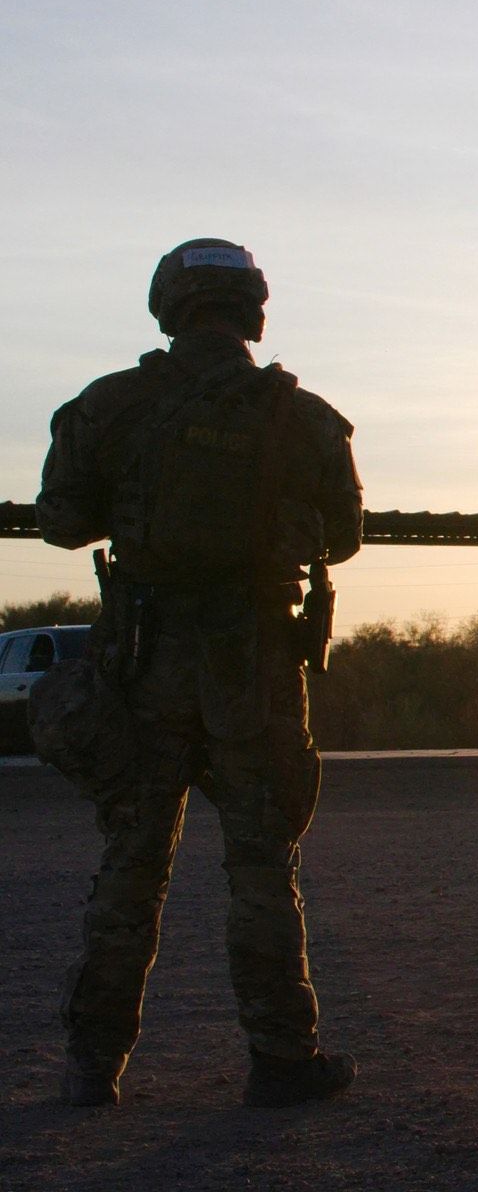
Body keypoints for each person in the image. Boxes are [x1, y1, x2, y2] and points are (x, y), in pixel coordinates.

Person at [36, 239, 363, 1107]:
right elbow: (344, 539)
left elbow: (61, 523)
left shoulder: (113, 405)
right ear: (252, 308)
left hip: (142, 665)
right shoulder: (308, 419)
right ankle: (284, 1059)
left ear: (169, 307)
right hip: (253, 664)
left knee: (132, 861)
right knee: (262, 867)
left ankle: (92, 1066)